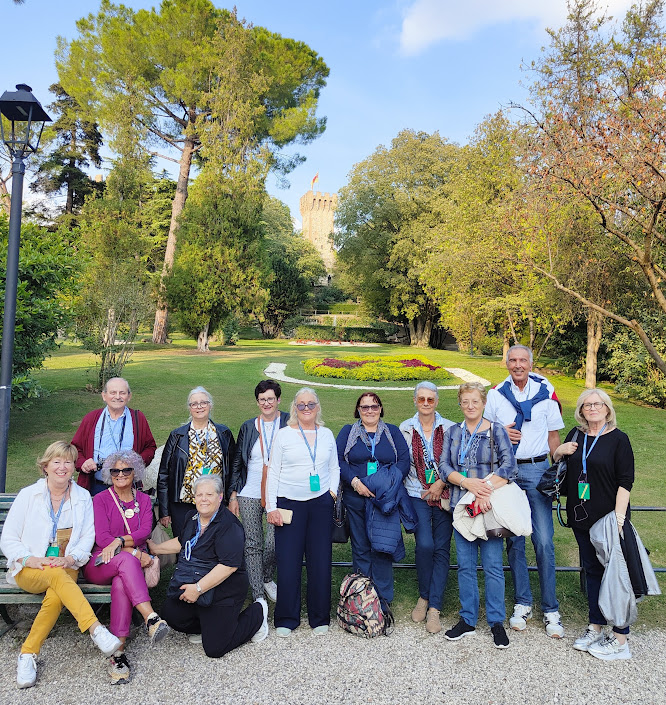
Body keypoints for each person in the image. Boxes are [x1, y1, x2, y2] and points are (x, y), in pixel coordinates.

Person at [0, 441, 122, 689]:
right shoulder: (28, 496)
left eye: (68, 462)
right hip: (30, 569)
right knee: (57, 578)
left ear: (73, 467)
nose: (62, 467)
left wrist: (70, 558)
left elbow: (88, 536)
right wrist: (28, 558)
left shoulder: (82, 497)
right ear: (45, 466)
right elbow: (8, 538)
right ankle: (95, 629)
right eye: (56, 461)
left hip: (66, 566)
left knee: (57, 592)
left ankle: (28, 654)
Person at [484, 345, 565, 637]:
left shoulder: (546, 390)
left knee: (543, 540)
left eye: (523, 360)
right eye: (513, 360)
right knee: (515, 540)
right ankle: (522, 602)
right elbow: (483, 432)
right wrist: (499, 432)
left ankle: (551, 607)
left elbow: (554, 434)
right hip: (507, 471)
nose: (518, 365)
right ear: (506, 363)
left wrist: (557, 471)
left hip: (536, 468)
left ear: (531, 363)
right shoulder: (495, 394)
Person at [553, 388, 635, 660]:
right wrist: (559, 452)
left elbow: (626, 482)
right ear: (581, 410)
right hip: (580, 516)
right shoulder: (575, 436)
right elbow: (560, 468)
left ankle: (621, 636)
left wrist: (620, 519)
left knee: (615, 574)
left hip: (610, 518)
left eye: (597, 404)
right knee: (591, 571)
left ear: (608, 408)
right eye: (586, 405)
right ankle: (595, 626)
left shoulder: (619, 439)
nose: (592, 409)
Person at [148, 474, 266, 657]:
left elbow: (229, 566)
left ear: (220, 497)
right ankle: (207, 623)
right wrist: (156, 549)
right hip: (198, 579)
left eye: (209, 495)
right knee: (171, 613)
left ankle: (258, 612)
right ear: (194, 497)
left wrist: (197, 589)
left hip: (224, 589)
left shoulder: (229, 526)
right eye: (199, 494)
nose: (203, 499)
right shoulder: (192, 517)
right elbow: (183, 542)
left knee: (215, 648)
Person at [440, 382, 518, 648]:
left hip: (489, 505)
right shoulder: (452, 432)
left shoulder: (496, 430)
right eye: (465, 402)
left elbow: (509, 466)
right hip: (462, 507)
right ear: (460, 404)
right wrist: (466, 484)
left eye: (475, 401)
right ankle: (468, 620)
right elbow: (444, 466)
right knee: (465, 565)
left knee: (494, 566)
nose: (470, 406)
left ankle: (497, 622)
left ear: (483, 403)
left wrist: (483, 492)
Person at [83, 450, 169, 684]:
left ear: (135, 472)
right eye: (115, 470)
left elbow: (144, 532)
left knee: (121, 582)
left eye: (126, 470)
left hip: (125, 567)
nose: (120, 474)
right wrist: (130, 549)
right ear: (109, 474)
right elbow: (102, 539)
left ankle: (118, 654)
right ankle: (150, 617)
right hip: (101, 562)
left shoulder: (143, 500)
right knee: (128, 560)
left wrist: (120, 541)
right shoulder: (100, 499)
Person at [266, 388, 340, 636]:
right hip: (288, 503)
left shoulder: (327, 434)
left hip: (320, 503)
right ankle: (287, 618)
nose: (306, 409)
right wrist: (271, 506)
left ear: (317, 407)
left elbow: (334, 467)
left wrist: (330, 493)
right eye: (301, 405)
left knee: (320, 561)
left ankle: (320, 617)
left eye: (310, 404)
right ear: (294, 408)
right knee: (288, 562)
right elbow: (273, 471)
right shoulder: (284, 435)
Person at [336, 392, 410, 611]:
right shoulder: (348, 432)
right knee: (360, 547)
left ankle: (383, 599)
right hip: (356, 498)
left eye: (374, 406)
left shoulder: (392, 432)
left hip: (384, 501)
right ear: (358, 410)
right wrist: (355, 482)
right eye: (364, 407)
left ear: (381, 409)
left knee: (382, 546)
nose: (370, 411)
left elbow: (404, 461)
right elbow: (338, 460)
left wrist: (388, 482)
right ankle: (363, 597)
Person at [399, 381, 454, 634]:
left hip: (444, 494)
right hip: (416, 493)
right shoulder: (405, 428)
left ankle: (434, 608)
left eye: (430, 400)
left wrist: (440, 483)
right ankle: (424, 595)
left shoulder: (451, 428)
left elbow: (457, 461)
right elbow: (402, 462)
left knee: (441, 548)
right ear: (414, 401)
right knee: (425, 544)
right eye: (421, 399)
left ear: (437, 402)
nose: (425, 404)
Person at [228, 380, 289, 603]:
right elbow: (237, 462)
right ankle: (257, 596)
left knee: (275, 540)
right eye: (262, 399)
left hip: (279, 490)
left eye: (270, 399)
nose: (266, 403)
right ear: (257, 402)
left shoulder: (289, 423)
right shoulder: (248, 426)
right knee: (252, 543)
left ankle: (265, 577)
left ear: (278, 400)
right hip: (250, 490)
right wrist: (233, 494)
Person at [158, 386, 235, 539]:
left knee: (212, 541)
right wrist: (164, 511)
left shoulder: (223, 433)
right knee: (184, 540)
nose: (199, 406)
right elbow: (164, 474)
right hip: (183, 502)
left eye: (203, 402)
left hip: (213, 500)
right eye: (194, 403)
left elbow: (232, 469)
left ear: (210, 405)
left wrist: (231, 498)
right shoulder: (177, 436)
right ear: (189, 408)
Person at [72, 377, 157, 496]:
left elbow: (150, 447)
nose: (117, 397)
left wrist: (135, 463)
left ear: (129, 396)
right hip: (96, 486)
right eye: (113, 392)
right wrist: (83, 463)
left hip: (128, 487)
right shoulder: (91, 418)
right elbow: (75, 449)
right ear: (104, 396)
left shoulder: (138, 419)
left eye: (122, 393)